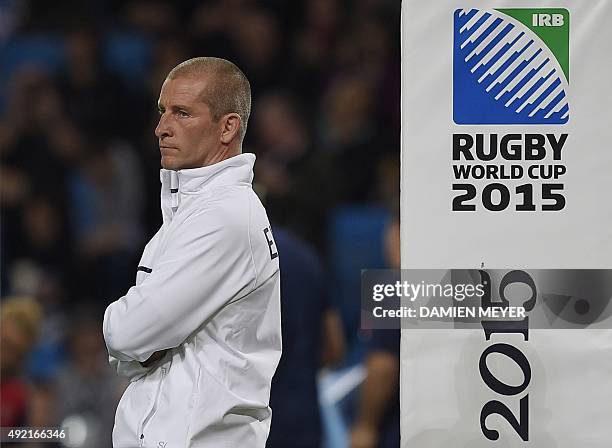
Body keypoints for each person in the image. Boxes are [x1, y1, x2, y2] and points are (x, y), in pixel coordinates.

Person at [102, 57, 282, 448]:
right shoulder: (189, 215)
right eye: (162, 112)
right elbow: (136, 345)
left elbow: (127, 332)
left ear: (228, 127)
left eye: (182, 113)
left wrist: (131, 337)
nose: (161, 128)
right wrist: (139, 345)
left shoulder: (226, 215)